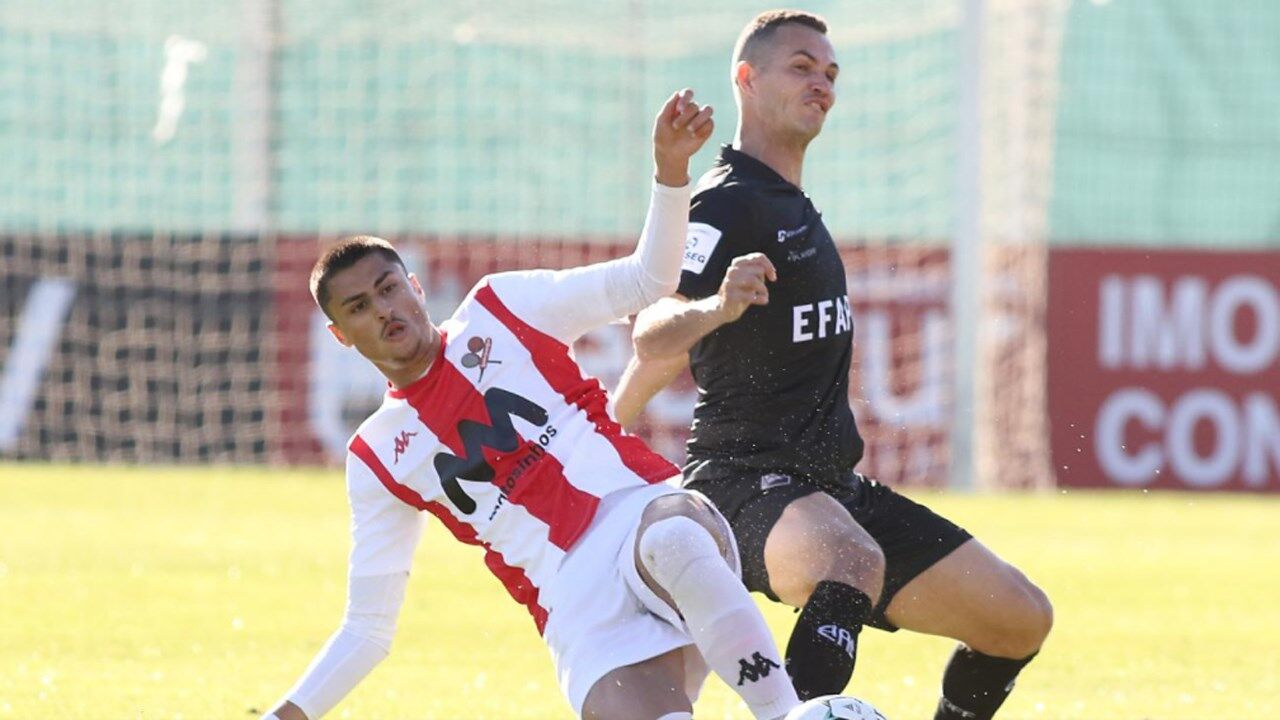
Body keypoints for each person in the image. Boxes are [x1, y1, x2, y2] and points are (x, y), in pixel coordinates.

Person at [262, 90, 803, 720]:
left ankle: (786, 713)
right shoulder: (377, 455)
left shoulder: (501, 307)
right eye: (359, 307)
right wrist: (285, 715)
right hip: (575, 606)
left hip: (644, 515)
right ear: (339, 335)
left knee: (676, 539)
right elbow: (367, 629)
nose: (383, 311)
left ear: (414, 287)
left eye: (388, 289)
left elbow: (645, 281)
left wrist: (670, 172)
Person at [613, 12, 1053, 720]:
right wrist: (717, 308)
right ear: (747, 79)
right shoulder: (726, 202)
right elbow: (653, 332)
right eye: (801, 67)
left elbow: (659, 358)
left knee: (1018, 618)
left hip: (830, 487)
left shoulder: (789, 202)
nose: (821, 82)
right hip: (741, 482)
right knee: (852, 563)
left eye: (830, 72)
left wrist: (608, 423)